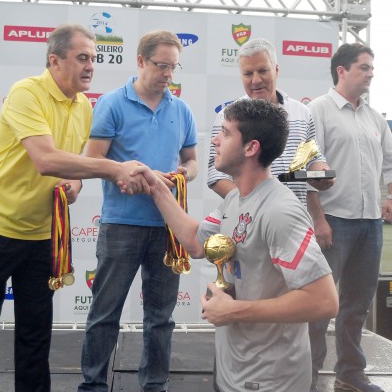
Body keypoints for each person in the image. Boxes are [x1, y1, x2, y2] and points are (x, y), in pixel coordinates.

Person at [0, 24, 149, 392]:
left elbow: (74, 166)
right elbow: (45, 160)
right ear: (54, 60)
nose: (91, 65)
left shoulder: (83, 107)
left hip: (44, 236)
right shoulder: (26, 92)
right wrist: (115, 169)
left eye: (93, 58)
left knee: (35, 337)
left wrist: (74, 185)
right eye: (82, 58)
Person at [126, 98, 339, 392]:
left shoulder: (280, 210)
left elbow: (324, 301)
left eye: (225, 133)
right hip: (232, 375)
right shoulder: (234, 199)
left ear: (251, 148)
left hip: (272, 382)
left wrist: (234, 311)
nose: (214, 139)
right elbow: (195, 242)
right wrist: (157, 188)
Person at [78, 30, 198, 392]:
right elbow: (92, 160)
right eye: (161, 65)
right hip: (121, 224)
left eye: (174, 67)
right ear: (140, 61)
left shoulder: (181, 109)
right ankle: (94, 385)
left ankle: (155, 385)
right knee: (105, 314)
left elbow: (191, 161)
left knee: (160, 318)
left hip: (168, 226)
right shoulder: (112, 103)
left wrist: (181, 176)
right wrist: (125, 172)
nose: (167, 74)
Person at [307, 43, 392, 392]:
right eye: (365, 67)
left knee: (356, 305)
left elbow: (389, 163)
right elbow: (306, 169)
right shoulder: (318, 111)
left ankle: (350, 374)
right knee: (318, 307)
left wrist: (389, 196)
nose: (371, 73)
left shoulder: (375, 118)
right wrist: (318, 219)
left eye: (372, 68)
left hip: (370, 224)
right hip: (333, 222)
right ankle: (307, 376)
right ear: (341, 71)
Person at [207, 38, 334, 208]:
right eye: (248, 74)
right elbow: (216, 176)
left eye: (262, 71)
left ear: (276, 70)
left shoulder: (302, 112)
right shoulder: (226, 116)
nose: (256, 80)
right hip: (248, 220)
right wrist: (252, 204)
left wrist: (322, 173)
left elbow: (313, 158)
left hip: (296, 217)